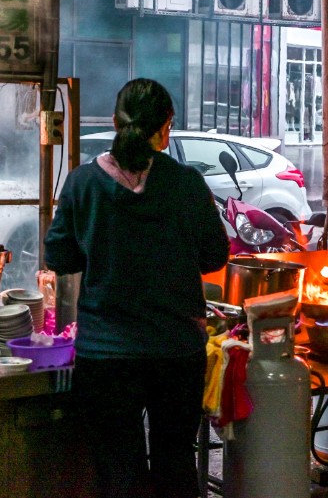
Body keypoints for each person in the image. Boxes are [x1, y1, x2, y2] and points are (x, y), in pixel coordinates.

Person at [44, 78, 230, 498]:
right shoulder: (186, 183)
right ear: (166, 128)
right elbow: (214, 256)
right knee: (175, 463)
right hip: (176, 352)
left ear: (115, 121)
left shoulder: (81, 183)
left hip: (106, 357)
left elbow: (60, 258)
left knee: (119, 469)